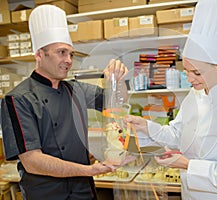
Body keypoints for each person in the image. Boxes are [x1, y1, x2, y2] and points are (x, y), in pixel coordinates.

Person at [124, 0, 217, 199]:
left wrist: (188, 165)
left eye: (197, 72)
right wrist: (145, 126)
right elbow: (176, 133)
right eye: (187, 71)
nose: (189, 79)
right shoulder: (196, 94)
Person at [1, 5, 128, 200]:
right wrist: (89, 170)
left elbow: (116, 102)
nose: (68, 60)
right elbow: (32, 161)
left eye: (71, 54)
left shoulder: (75, 89)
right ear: (39, 55)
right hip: (46, 195)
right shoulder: (18, 99)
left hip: (83, 192)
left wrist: (117, 80)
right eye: (61, 52)